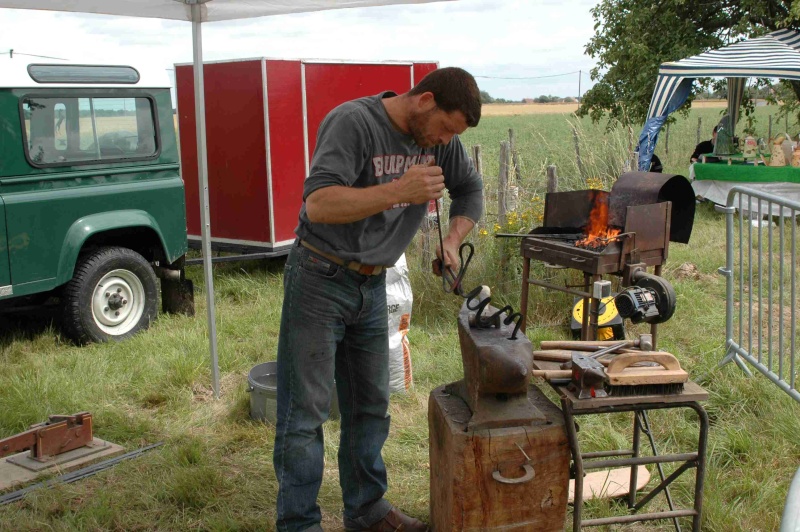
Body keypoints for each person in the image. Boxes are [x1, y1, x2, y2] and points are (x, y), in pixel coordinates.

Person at [273, 67, 483, 532]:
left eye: (454, 135)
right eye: (447, 128)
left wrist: (452, 238)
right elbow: (319, 204)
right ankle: (298, 523)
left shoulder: (441, 142)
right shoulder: (354, 122)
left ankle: (366, 511)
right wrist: (399, 191)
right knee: (305, 412)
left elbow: (470, 190)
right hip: (319, 277)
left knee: (370, 406)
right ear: (424, 100)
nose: (447, 142)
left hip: (373, 283)